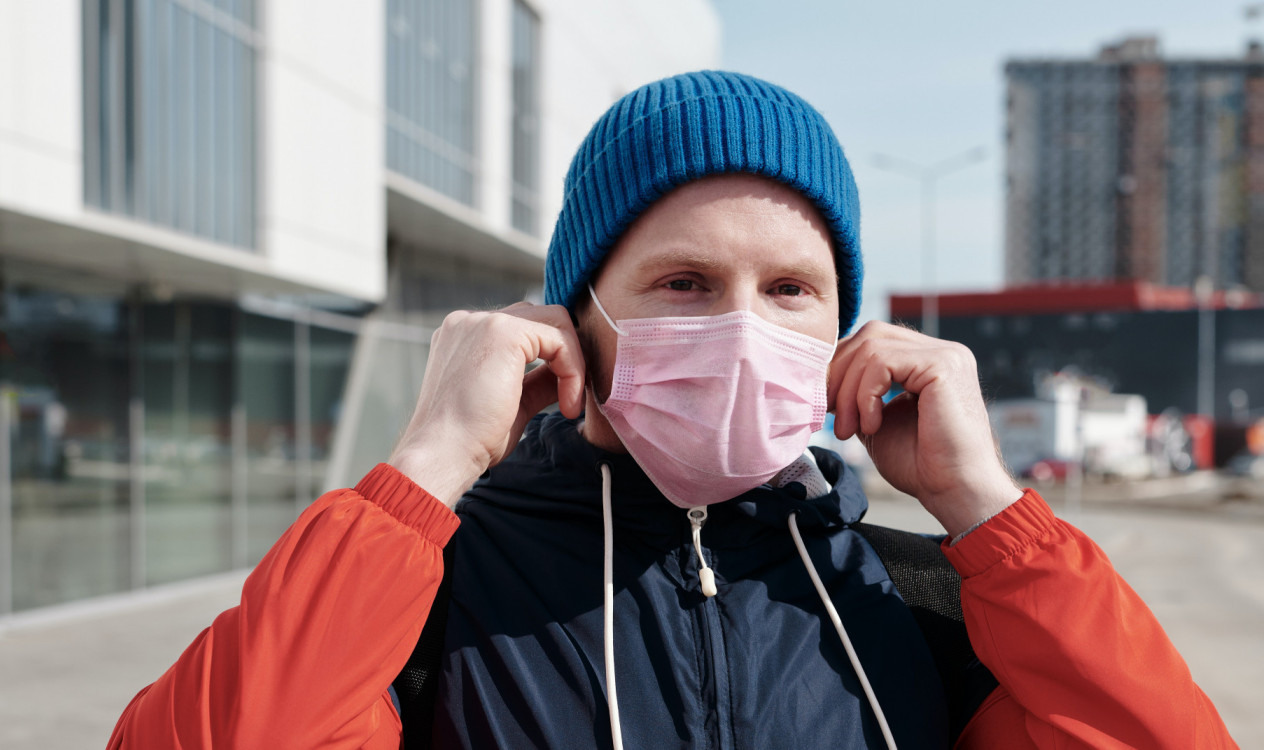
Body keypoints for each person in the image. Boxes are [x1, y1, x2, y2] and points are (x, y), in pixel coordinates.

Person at [106, 71, 1237, 749]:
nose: (743, 327)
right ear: (574, 318)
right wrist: (427, 468)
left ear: (845, 326)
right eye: (684, 284)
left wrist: (986, 509)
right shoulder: (427, 600)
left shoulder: (919, 602)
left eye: (791, 289)